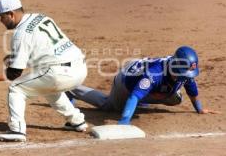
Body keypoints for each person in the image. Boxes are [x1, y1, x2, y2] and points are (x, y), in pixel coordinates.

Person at [0, 0, 88, 142]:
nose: (0, 21)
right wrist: (16, 58)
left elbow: (14, 74)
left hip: (59, 74)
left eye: (1, 17)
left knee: (16, 88)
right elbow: (43, 47)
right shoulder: (40, 17)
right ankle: (76, 120)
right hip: (80, 69)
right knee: (46, 87)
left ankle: (17, 130)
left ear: (11, 14)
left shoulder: (20, 35)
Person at [66, 46, 220, 125]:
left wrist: (200, 109)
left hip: (146, 79)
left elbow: (191, 88)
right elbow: (133, 96)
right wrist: (125, 121)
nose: (186, 77)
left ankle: (146, 97)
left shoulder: (183, 71)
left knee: (175, 99)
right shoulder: (154, 74)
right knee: (110, 106)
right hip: (127, 80)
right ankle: (72, 89)